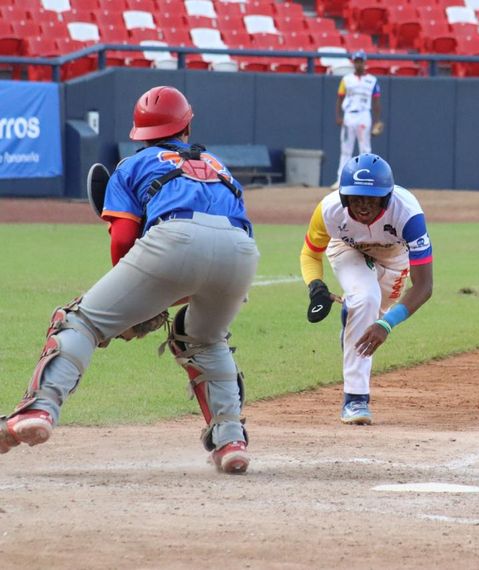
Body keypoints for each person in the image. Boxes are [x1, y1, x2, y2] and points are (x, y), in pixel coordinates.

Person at [0, 86, 260, 474]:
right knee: (204, 340)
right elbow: (226, 242)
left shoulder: (132, 165)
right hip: (242, 255)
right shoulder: (219, 166)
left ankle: (38, 409)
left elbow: (123, 238)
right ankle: (229, 440)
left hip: (174, 240)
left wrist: (136, 303)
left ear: (139, 133)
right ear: (186, 125)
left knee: (79, 321)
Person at [301, 153, 432, 425]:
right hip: (346, 248)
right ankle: (355, 399)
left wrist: (387, 324)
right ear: (344, 196)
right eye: (356, 197)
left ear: (386, 197)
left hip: (395, 258)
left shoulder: (407, 214)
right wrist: (315, 286)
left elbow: (424, 286)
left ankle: (353, 315)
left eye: (371, 198)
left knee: (373, 319)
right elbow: (310, 254)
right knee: (365, 299)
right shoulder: (329, 210)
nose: (363, 205)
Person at [332, 50, 383, 189]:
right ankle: (340, 180)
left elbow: (376, 101)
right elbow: (340, 97)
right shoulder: (346, 79)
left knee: (365, 149)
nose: (359, 64)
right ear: (353, 62)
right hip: (349, 115)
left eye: (361, 61)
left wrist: (377, 120)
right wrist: (338, 116)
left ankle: (366, 180)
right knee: (345, 150)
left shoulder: (372, 80)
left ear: (365, 62)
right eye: (356, 61)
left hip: (364, 114)